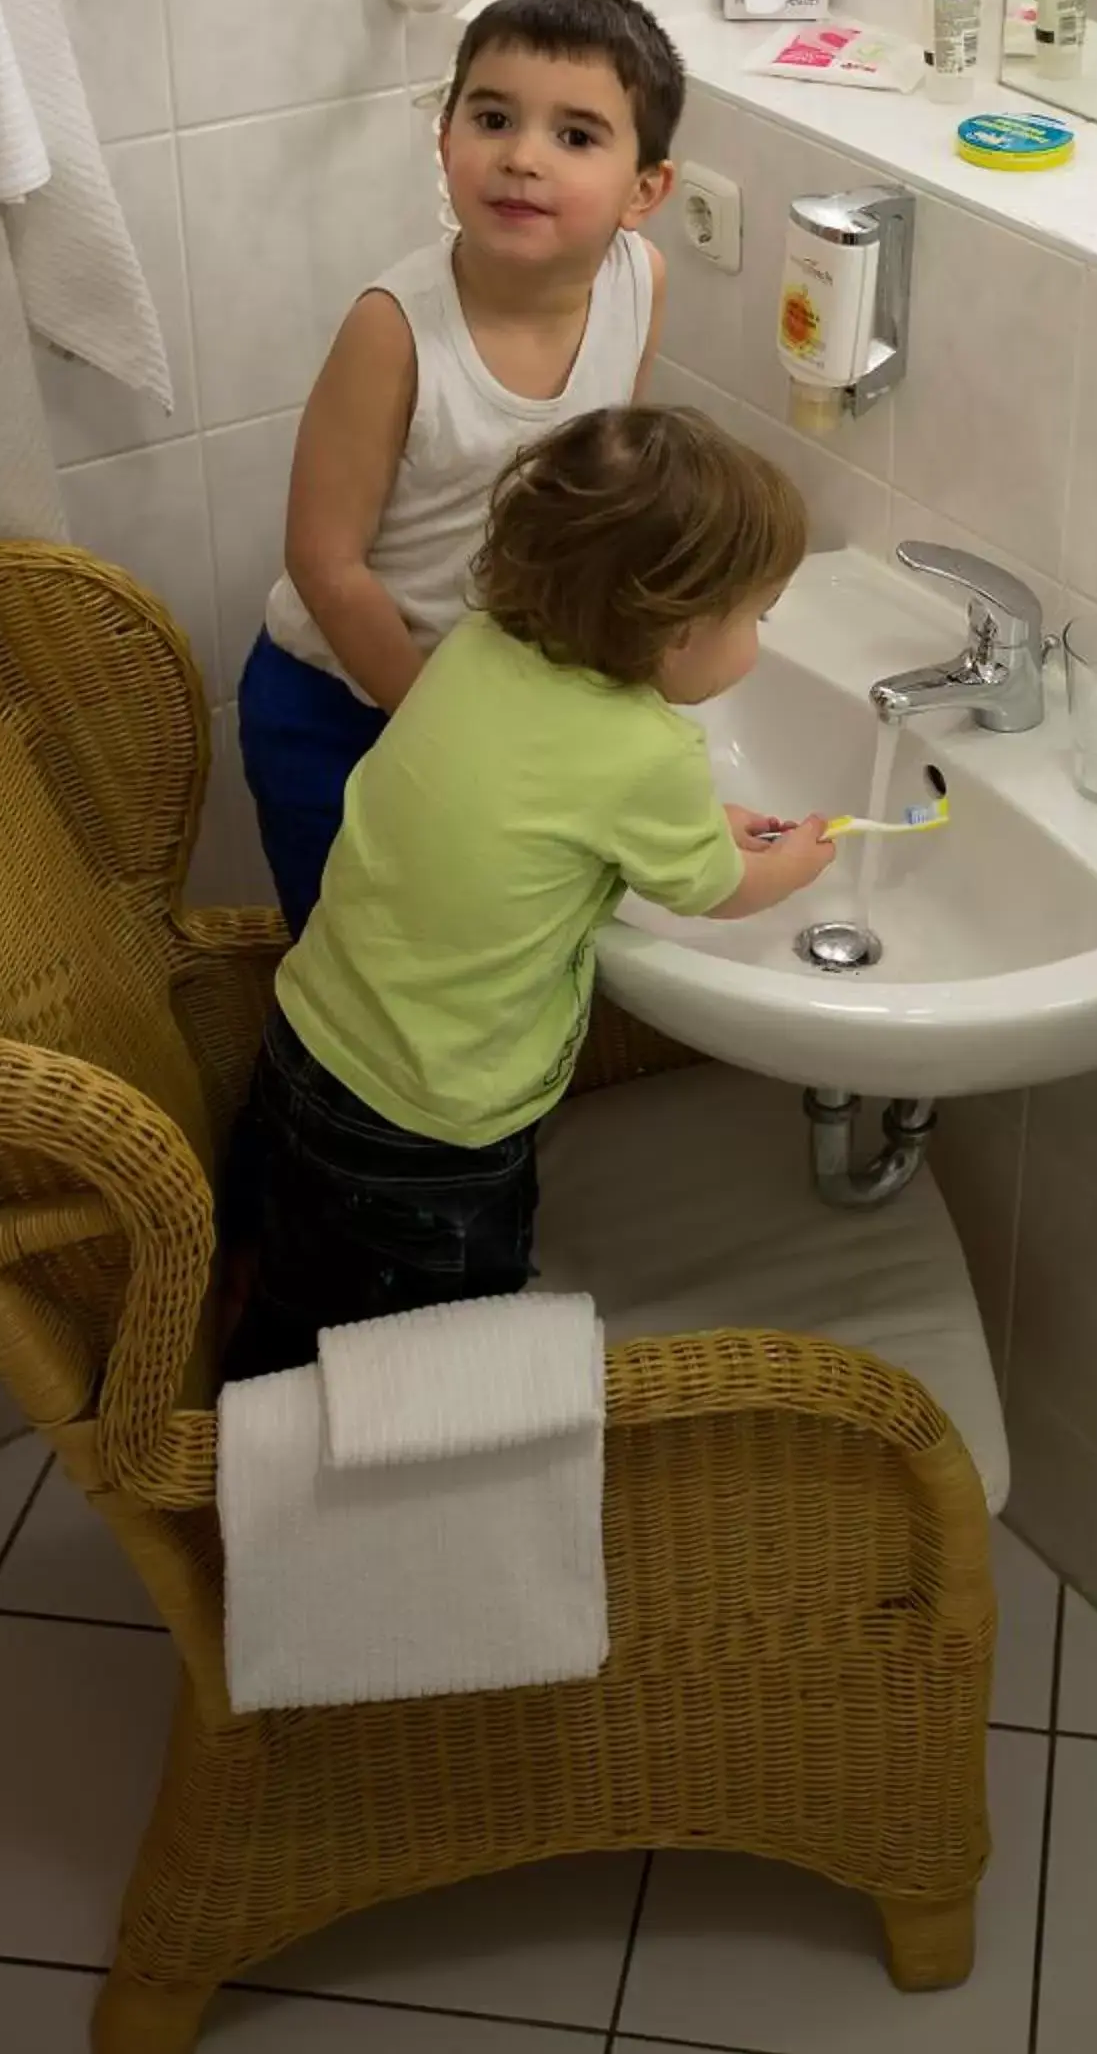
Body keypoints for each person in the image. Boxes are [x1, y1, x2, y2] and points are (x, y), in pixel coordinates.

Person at [224, 404, 837, 1379]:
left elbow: (543, 802)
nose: (758, 639)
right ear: (676, 632)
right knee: (433, 1359)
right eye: (755, 618)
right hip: (433, 1129)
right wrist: (795, 863)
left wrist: (698, 821)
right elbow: (715, 891)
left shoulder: (485, 644)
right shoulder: (647, 749)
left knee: (305, 1305)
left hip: (313, 1049)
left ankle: (244, 1440)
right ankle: (394, 1506)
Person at [239, 0, 681, 937]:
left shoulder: (637, 283)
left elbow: (597, 498)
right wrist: (446, 725)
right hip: (340, 705)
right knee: (354, 973)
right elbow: (325, 563)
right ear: (444, 140)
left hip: (488, 694)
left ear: (645, 190)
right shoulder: (394, 332)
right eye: (491, 117)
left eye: (575, 136)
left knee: (464, 960)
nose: (522, 158)